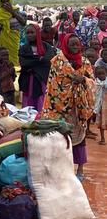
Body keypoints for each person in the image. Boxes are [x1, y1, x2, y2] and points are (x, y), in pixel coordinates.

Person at [41, 33, 95, 179]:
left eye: (77, 44)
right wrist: (69, 85)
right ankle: (61, 168)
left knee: (79, 137)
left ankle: (80, 169)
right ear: (65, 45)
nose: (75, 47)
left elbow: (92, 82)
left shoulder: (85, 62)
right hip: (58, 106)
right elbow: (52, 84)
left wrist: (83, 79)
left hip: (78, 108)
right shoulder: (57, 61)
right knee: (60, 137)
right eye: (72, 44)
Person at [19, 24, 56, 111]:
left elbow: (49, 59)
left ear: (38, 33)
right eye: (27, 33)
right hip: (28, 80)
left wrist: (34, 62)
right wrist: (39, 59)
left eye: (32, 32)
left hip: (42, 79)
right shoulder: (24, 48)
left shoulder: (46, 46)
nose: (29, 35)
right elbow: (24, 63)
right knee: (29, 100)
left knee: (41, 99)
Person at [0, 0, 27, 66]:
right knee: (5, 59)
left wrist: (12, 11)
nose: (5, 3)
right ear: (0, 3)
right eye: (3, 2)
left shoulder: (16, 10)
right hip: (4, 41)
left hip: (15, 40)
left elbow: (23, 23)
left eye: (7, 1)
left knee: (15, 59)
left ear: (10, 1)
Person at [94, 66, 107, 145]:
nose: (101, 75)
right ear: (96, 75)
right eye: (99, 74)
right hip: (101, 107)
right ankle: (103, 138)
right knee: (102, 123)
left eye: (103, 73)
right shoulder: (96, 83)